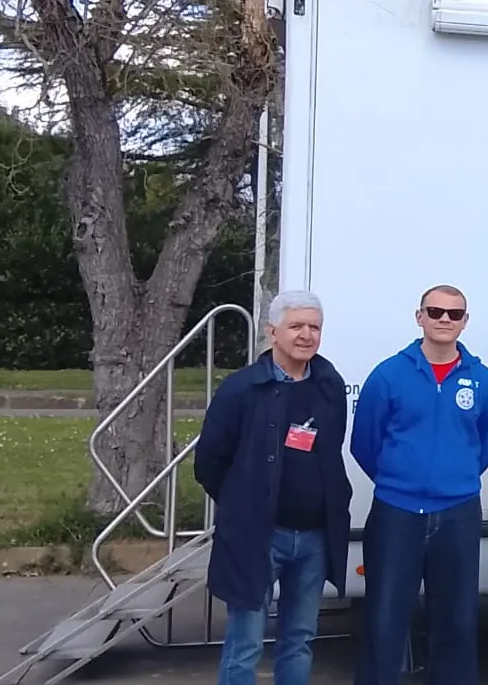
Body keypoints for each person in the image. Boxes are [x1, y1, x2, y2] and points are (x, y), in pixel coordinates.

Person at [196, 289, 354, 685]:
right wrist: (243, 503)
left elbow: (331, 449)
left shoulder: (329, 385)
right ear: (272, 332)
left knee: (299, 640)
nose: (306, 335)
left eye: (314, 327)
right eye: (296, 326)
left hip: (314, 538)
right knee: (245, 643)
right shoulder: (242, 389)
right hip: (260, 536)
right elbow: (209, 462)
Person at [350, 285, 488, 685]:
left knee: (457, 621)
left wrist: (453, 480)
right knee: (385, 619)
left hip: (457, 514)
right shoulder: (389, 375)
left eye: (454, 314)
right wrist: (401, 480)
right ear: (419, 317)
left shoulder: (481, 379)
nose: (444, 319)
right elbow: (365, 442)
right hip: (396, 513)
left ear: (465, 322)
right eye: (435, 311)